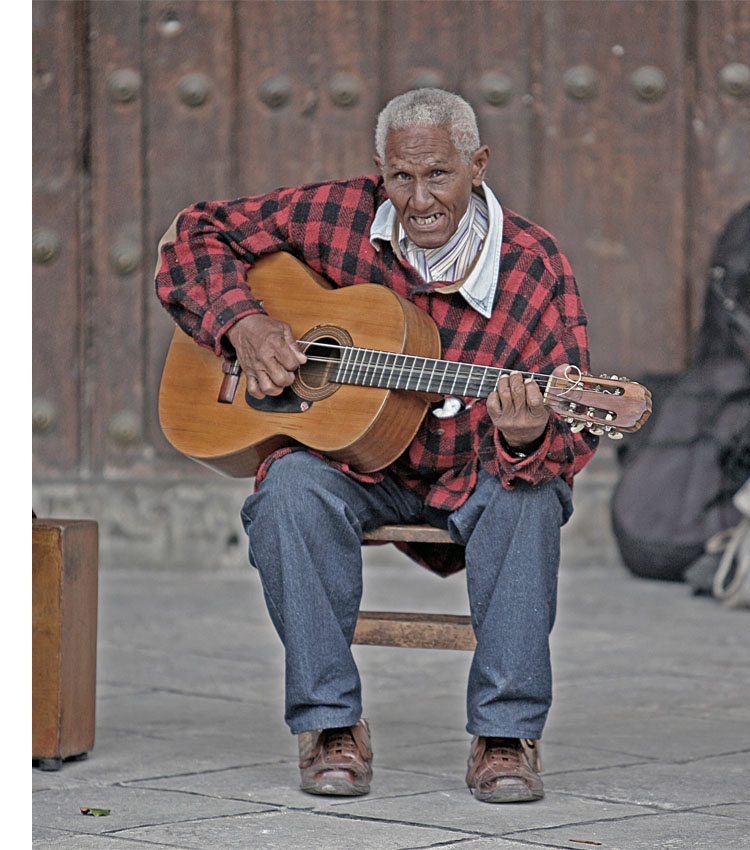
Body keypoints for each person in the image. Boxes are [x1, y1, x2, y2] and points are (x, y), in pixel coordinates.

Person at [155, 88, 599, 803]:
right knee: (288, 489)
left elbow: (571, 438)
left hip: (471, 468)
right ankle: (330, 725)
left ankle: (506, 735)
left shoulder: (534, 265)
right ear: (379, 172)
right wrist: (242, 323)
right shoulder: (336, 213)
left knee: (533, 495)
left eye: (439, 175)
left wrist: (530, 434)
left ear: (478, 165)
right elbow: (194, 233)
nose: (419, 199)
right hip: (356, 465)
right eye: (401, 177)